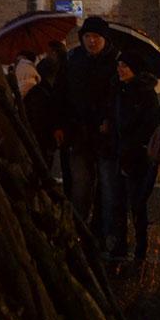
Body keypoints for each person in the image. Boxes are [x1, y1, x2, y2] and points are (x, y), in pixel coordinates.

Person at [57, 16, 119, 226]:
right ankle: (78, 230)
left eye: (96, 37)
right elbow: (62, 94)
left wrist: (110, 119)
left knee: (107, 188)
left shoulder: (116, 63)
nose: (92, 41)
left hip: (105, 137)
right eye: (88, 36)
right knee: (80, 186)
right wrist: (62, 125)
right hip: (79, 134)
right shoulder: (73, 60)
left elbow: (119, 98)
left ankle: (103, 231)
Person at [99, 50, 160, 261]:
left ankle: (141, 246)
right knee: (118, 201)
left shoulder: (146, 94)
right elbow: (113, 116)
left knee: (137, 203)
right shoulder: (118, 90)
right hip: (118, 151)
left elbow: (149, 125)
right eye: (119, 66)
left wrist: (134, 147)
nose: (120, 70)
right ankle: (120, 244)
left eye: (124, 66)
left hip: (136, 156)